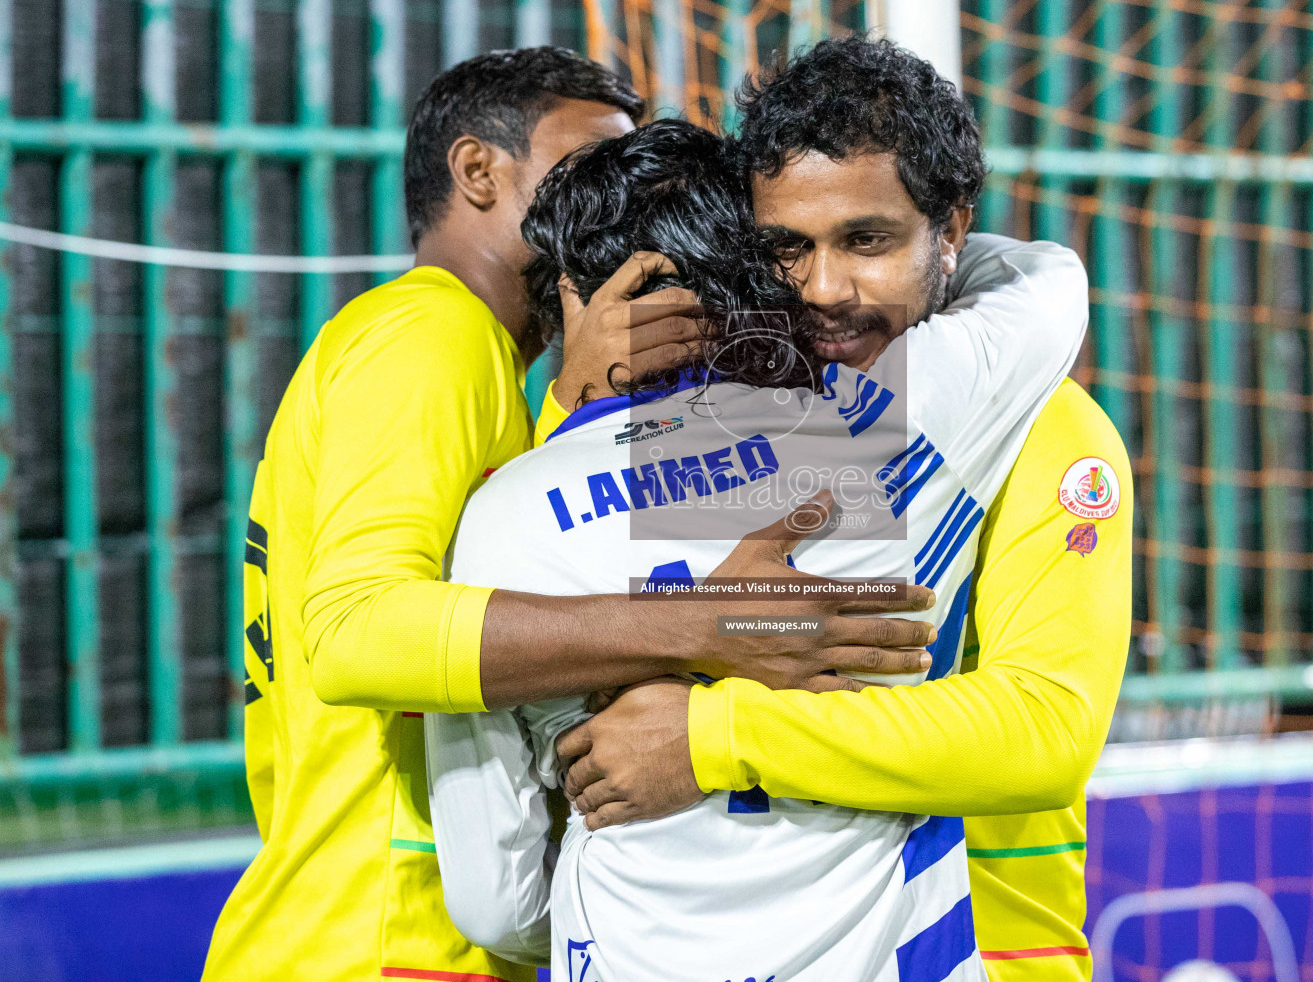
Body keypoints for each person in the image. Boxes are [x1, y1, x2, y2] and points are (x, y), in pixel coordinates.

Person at [203, 48, 937, 982]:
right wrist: (712, 626)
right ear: (478, 172)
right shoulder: (432, 338)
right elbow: (355, 634)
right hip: (390, 943)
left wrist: (573, 417)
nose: (610, 195)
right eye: (586, 160)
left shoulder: (487, 372)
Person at [425, 118, 1085, 980]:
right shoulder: (881, 424)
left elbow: (496, 903)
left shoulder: (498, 517)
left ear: (569, 299)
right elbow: (1048, 283)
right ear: (755, 271)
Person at [555, 36, 1133, 980]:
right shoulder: (709, 414)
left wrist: (715, 738)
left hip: (976, 953)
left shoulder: (1054, 434)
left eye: (867, 241)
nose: (825, 289)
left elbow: (1043, 731)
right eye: (789, 247)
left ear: (950, 231)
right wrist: (573, 417)